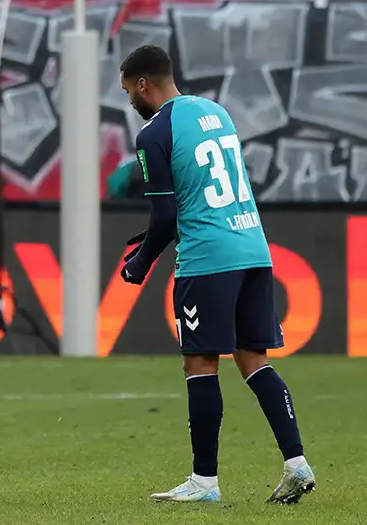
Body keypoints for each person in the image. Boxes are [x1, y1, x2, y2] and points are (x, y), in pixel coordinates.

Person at [117, 44, 316, 504]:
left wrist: (140, 263)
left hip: (208, 258)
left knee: (200, 364)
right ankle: (297, 464)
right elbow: (196, 191)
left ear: (143, 85)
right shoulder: (215, 112)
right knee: (253, 359)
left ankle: (204, 482)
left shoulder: (153, 134)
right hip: (252, 246)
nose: (130, 100)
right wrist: (150, 237)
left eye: (129, 91)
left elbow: (167, 215)